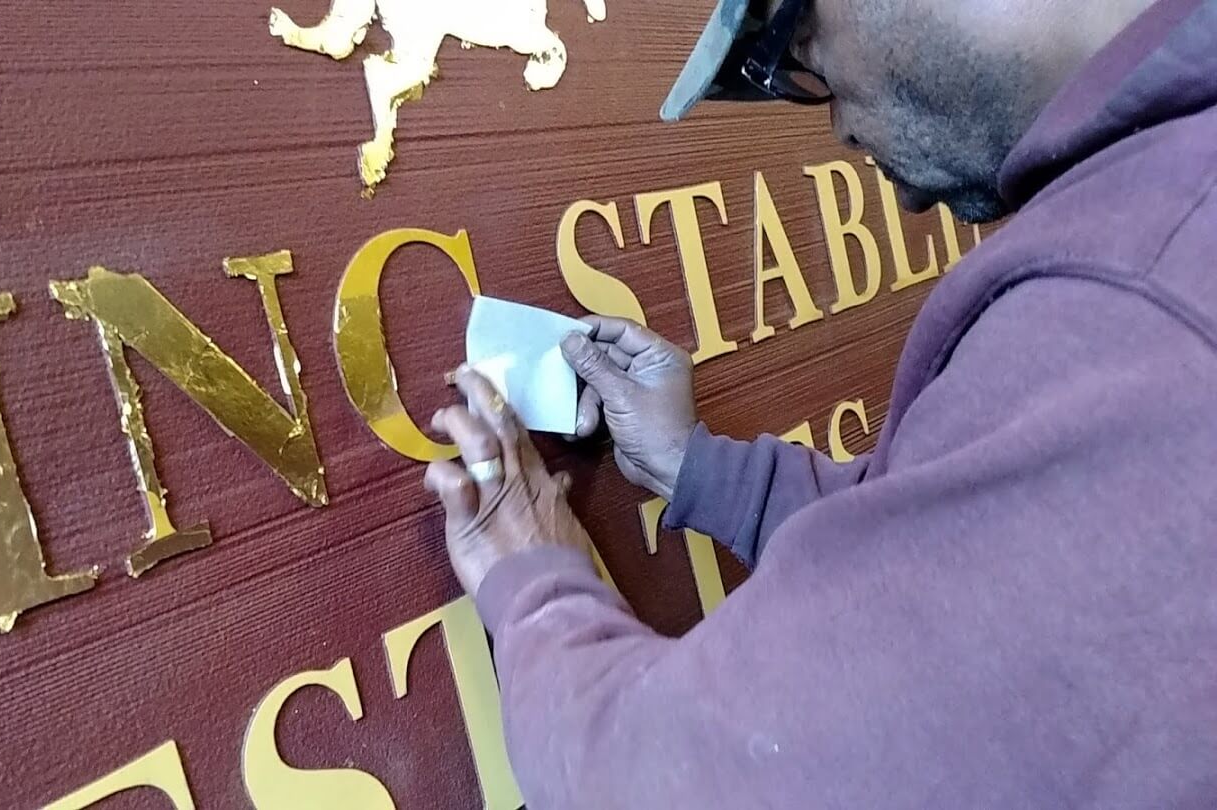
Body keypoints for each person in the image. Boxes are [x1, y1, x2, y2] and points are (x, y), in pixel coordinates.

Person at [423, 0, 1217, 806]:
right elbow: (958, 561)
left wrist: (536, 588)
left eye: (794, 37)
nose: (837, 127)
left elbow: (696, 786)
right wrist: (697, 467)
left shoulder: (1141, 304)